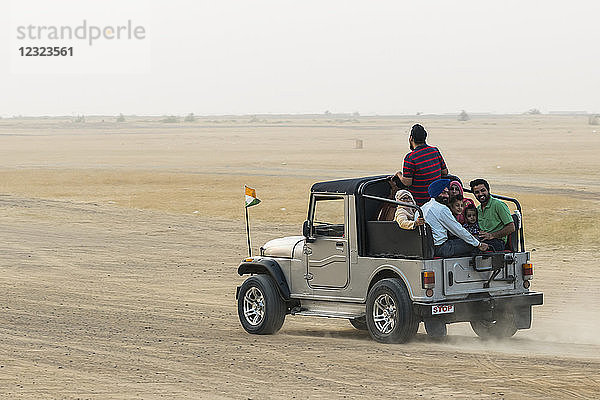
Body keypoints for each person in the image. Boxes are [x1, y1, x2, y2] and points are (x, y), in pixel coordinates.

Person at [421, 179, 488, 258]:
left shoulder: (423, 207)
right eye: (443, 193)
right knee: (476, 240)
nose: (446, 196)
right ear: (436, 193)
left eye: (447, 193)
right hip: (441, 248)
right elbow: (458, 229)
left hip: (425, 248)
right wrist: (478, 244)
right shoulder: (441, 209)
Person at [396, 124, 448, 206]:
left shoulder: (410, 157)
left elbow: (407, 182)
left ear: (411, 139)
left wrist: (399, 174)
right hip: (437, 200)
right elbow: (444, 172)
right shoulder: (435, 151)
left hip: (419, 203)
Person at [469, 178, 515, 251]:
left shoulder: (498, 205)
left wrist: (492, 235)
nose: (480, 194)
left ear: (488, 190)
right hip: (482, 240)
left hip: (497, 242)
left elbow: (511, 227)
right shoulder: (478, 209)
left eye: (483, 190)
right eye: (477, 192)